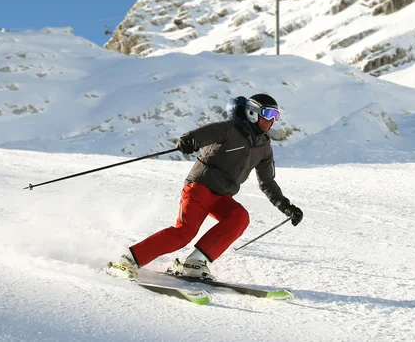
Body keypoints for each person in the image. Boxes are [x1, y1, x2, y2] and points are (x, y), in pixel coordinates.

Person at [108, 93, 303, 281]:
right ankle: (128, 260)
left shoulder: (264, 147)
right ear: (253, 112)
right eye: (269, 114)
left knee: (239, 217)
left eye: (276, 116)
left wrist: (286, 206)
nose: (272, 120)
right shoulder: (229, 129)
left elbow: (267, 182)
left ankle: (195, 262)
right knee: (184, 232)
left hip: (222, 196)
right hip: (200, 187)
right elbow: (199, 135)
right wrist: (189, 141)